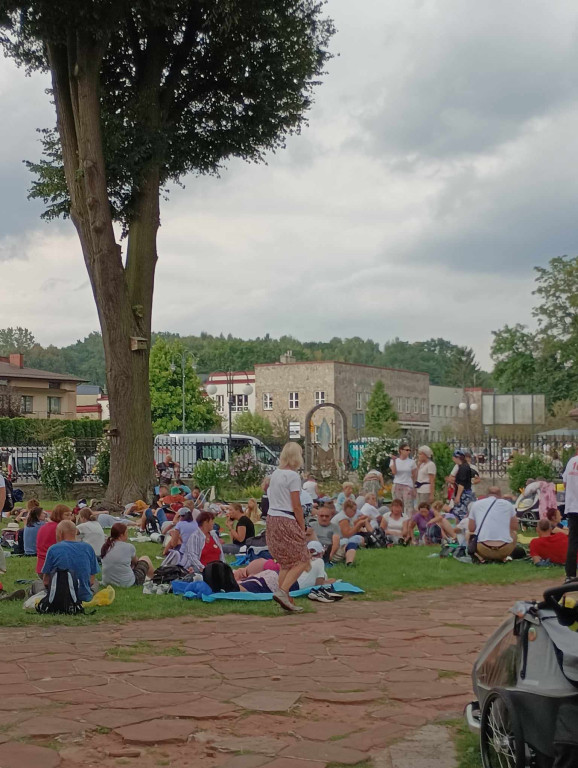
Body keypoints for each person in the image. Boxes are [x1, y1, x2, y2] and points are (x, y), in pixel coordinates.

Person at [265, 442, 311, 612]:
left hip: (272, 518)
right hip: (286, 518)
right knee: (302, 558)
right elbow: (296, 505)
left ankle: (286, 600)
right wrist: (302, 525)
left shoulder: (275, 474)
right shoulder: (293, 476)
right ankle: (283, 591)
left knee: (285, 562)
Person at [42, 520, 100, 602]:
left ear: (60, 532)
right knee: (96, 583)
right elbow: (91, 580)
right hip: (82, 596)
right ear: (76, 532)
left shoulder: (53, 549)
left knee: (36, 584)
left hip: (59, 597)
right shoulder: (88, 548)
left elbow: (46, 581)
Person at [182, 511, 238, 591]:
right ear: (205, 522)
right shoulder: (195, 536)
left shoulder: (214, 535)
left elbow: (221, 554)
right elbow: (191, 555)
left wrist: (225, 568)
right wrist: (203, 568)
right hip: (204, 570)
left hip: (218, 569)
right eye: (212, 521)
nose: (213, 524)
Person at [467, 487, 518, 562]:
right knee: (514, 533)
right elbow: (515, 527)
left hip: (483, 549)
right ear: (500, 495)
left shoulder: (476, 504)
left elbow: (471, 528)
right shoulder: (508, 505)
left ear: (486, 494)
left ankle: (480, 558)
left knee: (469, 533)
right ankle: (503, 557)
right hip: (504, 549)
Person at [101, 523, 154, 587]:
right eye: (126, 533)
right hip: (126, 583)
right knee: (145, 558)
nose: (127, 535)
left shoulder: (106, 546)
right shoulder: (129, 547)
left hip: (107, 581)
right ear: (121, 535)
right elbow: (136, 562)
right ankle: (155, 579)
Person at [332, 497, 371, 565]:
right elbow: (347, 534)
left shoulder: (344, 516)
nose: (355, 512)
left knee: (358, 536)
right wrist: (359, 524)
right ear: (348, 509)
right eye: (353, 510)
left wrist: (360, 520)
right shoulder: (343, 518)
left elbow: (351, 526)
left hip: (340, 539)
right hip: (338, 540)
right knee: (357, 538)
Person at [36, 504, 73, 575]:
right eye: (67, 515)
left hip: (41, 568)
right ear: (59, 515)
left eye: (70, 515)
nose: (69, 518)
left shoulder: (44, 527)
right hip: (55, 570)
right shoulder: (61, 529)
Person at [563, 449, 578, 583]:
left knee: (573, 541)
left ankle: (570, 574)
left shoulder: (571, 462)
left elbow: (565, 483)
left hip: (573, 507)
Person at [390, 444, 417, 516]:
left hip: (407, 485)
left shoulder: (411, 462)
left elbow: (414, 476)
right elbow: (394, 472)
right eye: (406, 450)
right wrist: (394, 461)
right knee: (397, 504)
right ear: (401, 451)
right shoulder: (395, 461)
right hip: (397, 484)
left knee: (408, 506)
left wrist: (414, 488)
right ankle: (398, 519)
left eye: (409, 450)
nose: (408, 452)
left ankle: (408, 521)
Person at [451, 451, 474, 519]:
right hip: (464, 492)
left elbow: (461, 484)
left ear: (458, 458)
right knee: (458, 513)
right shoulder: (462, 466)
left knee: (461, 513)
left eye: (454, 457)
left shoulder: (463, 468)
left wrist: (458, 496)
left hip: (464, 494)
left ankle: (462, 528)